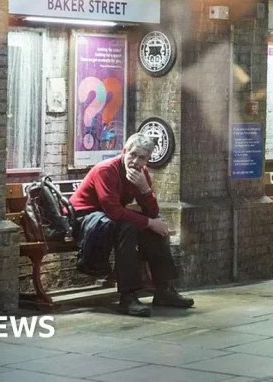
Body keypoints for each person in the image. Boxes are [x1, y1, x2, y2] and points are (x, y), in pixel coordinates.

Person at [70, 133, 193, 317]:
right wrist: (149, 222)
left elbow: (151, 213)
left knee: (156, 229)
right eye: (132, 155)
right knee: (130, 227)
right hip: (85, 220)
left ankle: (163, 290)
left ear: (147, 160)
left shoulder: (140, 175)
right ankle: (128, 298)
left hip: (107, 219)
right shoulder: (106, 170)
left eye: (141, 157)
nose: (135, 161)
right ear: (124, 151)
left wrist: (145, 190)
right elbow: (114, 211)